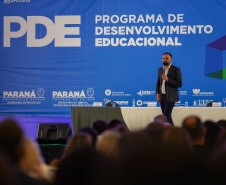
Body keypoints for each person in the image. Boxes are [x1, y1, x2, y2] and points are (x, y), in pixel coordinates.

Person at [156, 52, 182, 125]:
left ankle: (173, 133)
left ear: (171, 59)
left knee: (166, 116)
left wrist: (168, 79)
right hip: (162, 97)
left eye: (167, 58)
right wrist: (157, 93)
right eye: (163, 58)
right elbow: (158, 83)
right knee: (165, 117)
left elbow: (179, 84)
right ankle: (168, 132)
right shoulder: (160, 69)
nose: (165, 60)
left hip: (171, 97)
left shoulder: (176, 69)